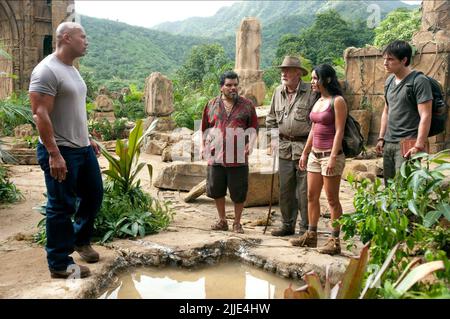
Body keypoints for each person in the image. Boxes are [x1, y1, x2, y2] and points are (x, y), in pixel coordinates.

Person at [29, 22, 103, 279]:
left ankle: (80, 241)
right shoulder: (46, 71)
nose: (87, 41)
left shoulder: (71, 69)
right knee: (61, 206)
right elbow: (40, 115)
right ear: (66, 38)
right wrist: (53, 153)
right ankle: (60, 263)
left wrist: (87, 137)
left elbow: (73, 110)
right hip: (61, 151)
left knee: (93, 195)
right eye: (83, 36)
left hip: (81, 148)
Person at [290, 64, 347, 255]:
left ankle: (334, 241)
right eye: (312, 79)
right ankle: (311, 235)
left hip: (330, 156)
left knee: (332, 200)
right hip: (315, 155)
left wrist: (332, 157)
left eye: (315, 78)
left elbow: (339, 131)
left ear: (327, 80)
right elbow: (313, 130)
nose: (312, 82)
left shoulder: (337, 101)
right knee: (311, 196)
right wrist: (305, 153)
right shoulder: (318, 101)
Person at [266, 56, 318, 237]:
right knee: (285, 189)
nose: (283, 73)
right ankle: (287, 225)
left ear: (298, 73)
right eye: (282, 70)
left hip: (305, 147)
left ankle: (305, 229)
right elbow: (271, 119)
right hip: (283, 147)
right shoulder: (278, 92)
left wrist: (311, 148)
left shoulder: (311, 92)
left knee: (304, 191)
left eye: (287, 70)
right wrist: (272, 141)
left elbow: (316, 123)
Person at [201, 71, 258, 234]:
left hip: (238, 155)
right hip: (215, 155)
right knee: (217, 189)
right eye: (229, 85)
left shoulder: (247, 105)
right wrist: (202, 146)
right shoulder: (211, 104)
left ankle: (237, 223)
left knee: (238, 191)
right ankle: (222, 220)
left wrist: (251, 143)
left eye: (235, 85)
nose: (233, 88)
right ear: (221, 87)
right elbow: (204, 127)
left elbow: (253, 126)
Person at [376, 40, 433, 184]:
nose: (385, 63)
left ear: (404, 60)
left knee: (404, 189)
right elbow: (386, 110)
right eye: (384, 58)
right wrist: (381, 138)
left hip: (408, 144)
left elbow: (426, 115)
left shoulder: (419, 81)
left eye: (390, 59)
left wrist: (419, 145)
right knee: (389, 189)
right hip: (389, 143)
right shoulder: (389, 81)